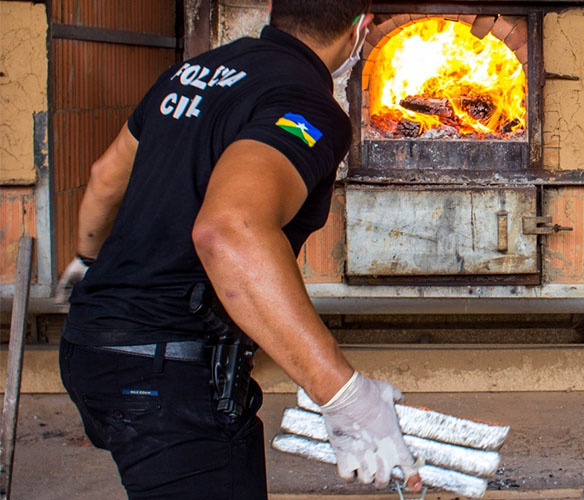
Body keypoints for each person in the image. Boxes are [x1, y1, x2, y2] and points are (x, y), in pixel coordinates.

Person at [54, 1, 422, 498]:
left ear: (275, 10)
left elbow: (104, 181)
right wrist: (341, 393)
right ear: (359, 29)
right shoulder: (308, 106)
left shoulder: (190, 74)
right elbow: (228, 230)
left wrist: (87, 262)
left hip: (89, 346)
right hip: (164, 370)